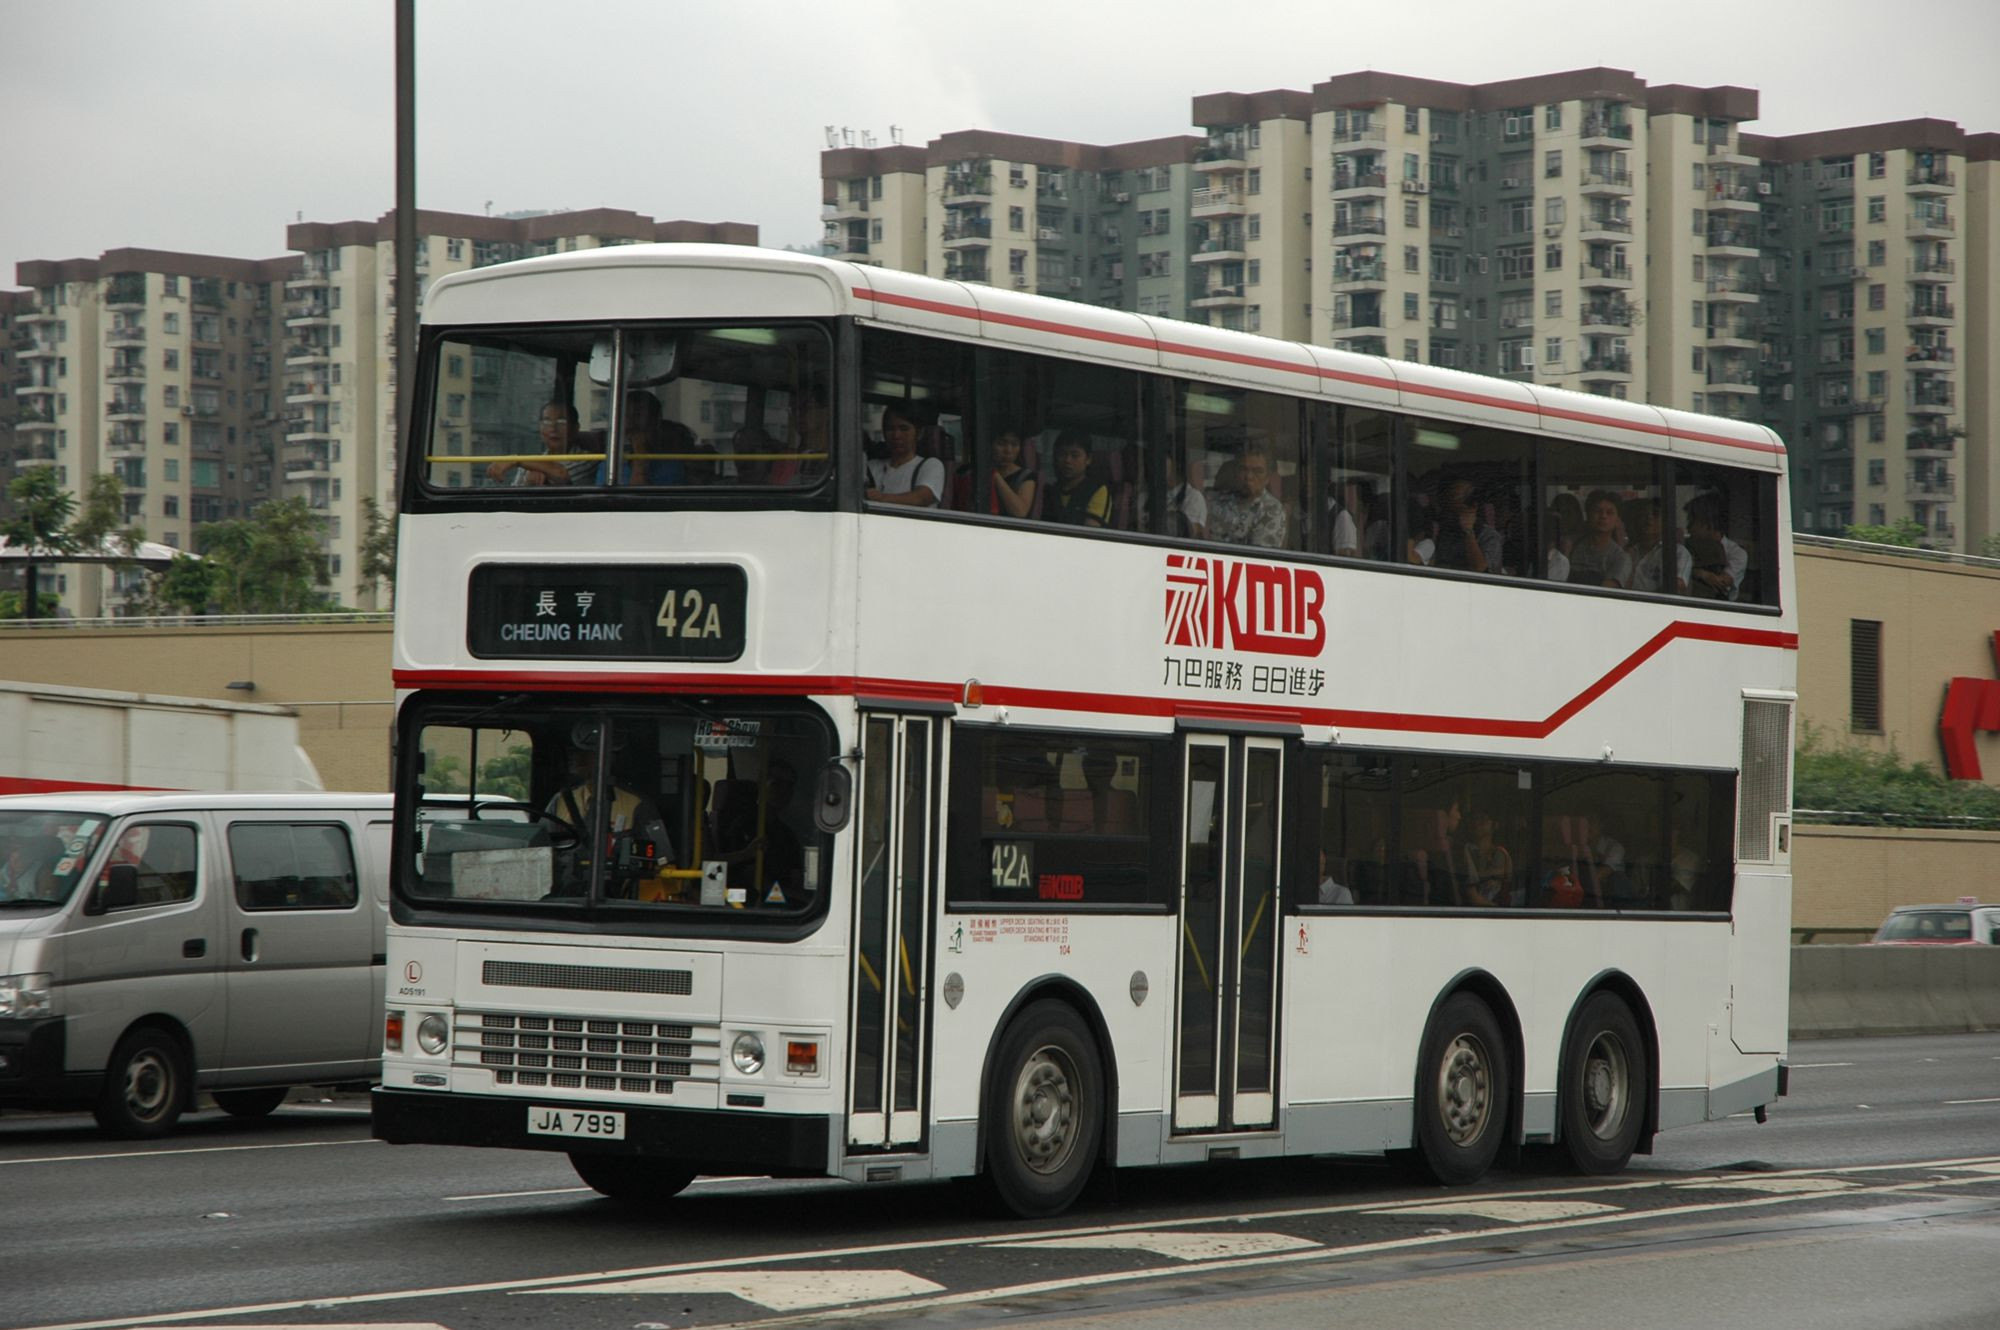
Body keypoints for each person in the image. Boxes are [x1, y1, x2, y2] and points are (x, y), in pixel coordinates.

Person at [546, 726, 674, 897]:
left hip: (619, 899)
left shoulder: (638, 805)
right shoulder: (560, 801)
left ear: (607, 758)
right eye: (575, 751)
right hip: (564, 898)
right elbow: (539, 849)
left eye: (586, 752)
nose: (576, 757)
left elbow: (662, 859)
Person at [712, 758, 806, 905]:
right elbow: (750, 877)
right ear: (761, 785)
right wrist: (746, 854)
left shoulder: (787, 835)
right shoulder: (741, 825)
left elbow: (796, 878)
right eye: (776, 783)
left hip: (783, 904)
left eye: (789, 786)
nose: (783, 791)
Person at [486, 401, 593, 487]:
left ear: (575, 428)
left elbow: (562, 474)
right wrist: (528, 483)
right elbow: (515, 496)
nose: (553, 428)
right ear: (540, 428)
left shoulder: (589, 459)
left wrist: (516, 460)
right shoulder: (528, 464)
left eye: (561, 422)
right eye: (547, 422)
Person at [1206, 444, 1287, 548]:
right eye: (1243, 469)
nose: (1249, 476)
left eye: (1258, 471)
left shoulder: (1272, 510)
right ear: (1236, 472)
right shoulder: (1218, 500)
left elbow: (1259, 555)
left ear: (1267, 478)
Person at [865, 403, 944, 507]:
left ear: (919, 433)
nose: (896, 435)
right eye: (890, 429)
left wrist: (880, 498)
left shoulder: (930, 465)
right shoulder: (871, 466)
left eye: (904, 429)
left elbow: (922, 498)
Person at [1430, 477, 1501, 573]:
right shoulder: (1443, 533)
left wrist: (1468, 531)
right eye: (1451, 498)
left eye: (1459, 498)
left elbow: (1481, 570)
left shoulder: (1489, 536)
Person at [1683, 494, 1747, 601]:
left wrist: (1702, 575)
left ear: (1708, 523)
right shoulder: (1685, 547)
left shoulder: (1737, 553)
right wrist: (1700, 574)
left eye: (1692, 521)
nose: (1688, 527)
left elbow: (1721, 582)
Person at [1042, 428, 1110, 527]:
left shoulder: (1097, 490)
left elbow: (1090, 530)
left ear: (1088, 459)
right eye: (1062, 454)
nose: (1067, 460)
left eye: (1075, 455)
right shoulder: (1048, 491)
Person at [1623, 497, 1689, 594]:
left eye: (1655, 514)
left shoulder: (1677, 552)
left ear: (1666, 521)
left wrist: (1645, 598)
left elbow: (1677, 587)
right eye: (1644, 514)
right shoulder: (1626, 551)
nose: (1649, 518)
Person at [1567, 489, 1632, 588]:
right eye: (1597, 511)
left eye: (1609, 512)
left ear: (1617, 520)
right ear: (1588, 515)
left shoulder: (1621, 558)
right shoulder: (1572, 546)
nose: (1603, 516)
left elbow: (1607, 590)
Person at [1460, 811, 1514, 907]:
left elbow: (1503, 874)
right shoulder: (1466, 849)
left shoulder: (1500, 853)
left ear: (1495, 825)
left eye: (1483, 819)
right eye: (1474, 819)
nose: (1477, 823)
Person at [987, 427, 1037, 518]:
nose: (1008, 451)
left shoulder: (1026, 476)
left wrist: (996, 476)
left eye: (1014, 444)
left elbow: (1020, 512)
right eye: (1002, 443)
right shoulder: (977, 473)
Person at [1160, 451, 1207, 539]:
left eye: (1163, 464)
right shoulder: (1146, 496)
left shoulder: (1193, 497)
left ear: (1175, 466)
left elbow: (1191, 533)